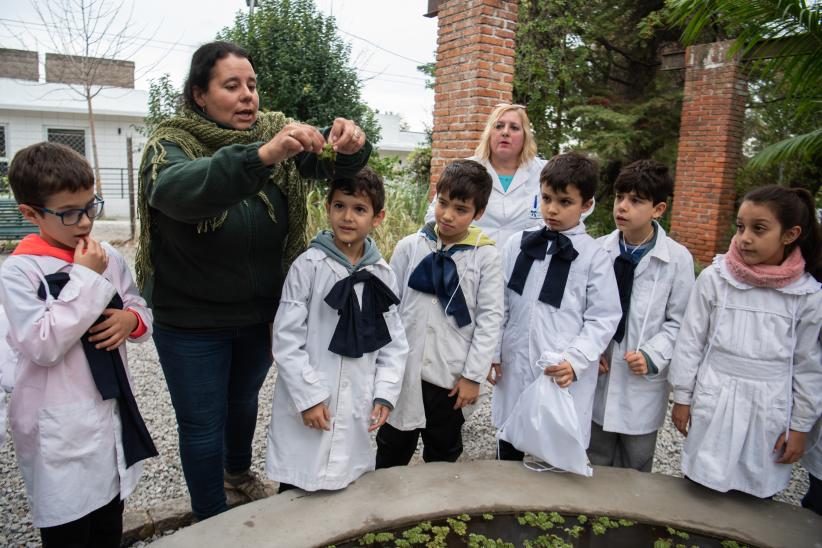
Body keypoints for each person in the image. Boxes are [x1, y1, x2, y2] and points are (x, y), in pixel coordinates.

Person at [136, 41, 371, 519]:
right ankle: (210, 519)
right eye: (231, 86)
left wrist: (348, 145)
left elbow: (325, 163)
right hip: (192, 321)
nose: (248, 96)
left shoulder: (273, 134)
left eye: (252, 85)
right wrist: (260, 156)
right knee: (202, 424)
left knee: (243, 403)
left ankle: (238, 476)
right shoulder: (171, 144)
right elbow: (179, 192)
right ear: (199, 95)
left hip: (259, 310)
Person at [2, 142, 155, 547]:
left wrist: (130, 320)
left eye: (91, 206)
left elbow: (138, 305)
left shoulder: (107, 258)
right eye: (70, 213)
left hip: (107, 416)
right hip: (58, 430)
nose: (86, 221)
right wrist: (85, 279)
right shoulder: (19, 271)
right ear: (31, 214)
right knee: (69, 527)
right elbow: (42, 343)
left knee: (109, 520)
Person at [670, 185, 822, 498]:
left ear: (790, 235)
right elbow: (690, 341)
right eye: (740, 227)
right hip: (716, 394)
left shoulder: (806, 296)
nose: (745, 237)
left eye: (759, 229)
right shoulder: (716, 279)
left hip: (770, 405)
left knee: (754, 489)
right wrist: (682, 396)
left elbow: (808, 365)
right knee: (701, 484)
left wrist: (800, 425)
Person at [266, 168, 408, 491]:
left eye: (359, 209)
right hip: (313, 403)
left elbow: (394, 344)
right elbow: (286, 341)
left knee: (347, 488)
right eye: (340, 206)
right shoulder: (308, 267)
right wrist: (309, 397)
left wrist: (385, 391)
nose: (348, 217)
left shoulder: (382, 275)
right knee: (297, 489)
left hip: (357, 402)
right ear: (328, 207)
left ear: (378, 217)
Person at [491, 152, 621, 461]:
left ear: (586, 205)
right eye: (547, 198)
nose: (552, 209)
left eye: (565, 202)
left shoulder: (594, 256)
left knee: (554, 445)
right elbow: (501, 303)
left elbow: (603, 317)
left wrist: (576, 360)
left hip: (559, 369)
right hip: (515, 361)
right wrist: (494, 352)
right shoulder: (517, 244)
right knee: (509, 437)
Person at [375, 159, 503, 468]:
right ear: (435, 196)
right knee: (391, 448)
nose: (447, 215)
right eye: (443, 203)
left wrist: (473, 377)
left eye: (461, 209)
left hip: (450, 377)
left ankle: (436, 516)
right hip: (404, 370)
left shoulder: (486, 257)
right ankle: (387, 513)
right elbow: (389, 308)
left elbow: (490, 320)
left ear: (478, 213)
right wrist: (382, 366)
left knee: (442, 455)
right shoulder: (410, 247)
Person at [588, 160, 694, 472]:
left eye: (635, 201)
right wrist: (590, 351)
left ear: (658, 209)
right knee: (594, 457)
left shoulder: (677, 260)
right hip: (600, 373)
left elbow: (681, 322)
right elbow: (583, 311)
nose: (622, 207)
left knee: (635, 464)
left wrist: (653, 354)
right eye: (620, 197)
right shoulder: (597, 251)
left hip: (642, 381)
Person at [425, 104, 594, 247]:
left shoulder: (546, 171)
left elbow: (585, 202)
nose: (505, 132)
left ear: (525, 136)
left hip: (527, 262)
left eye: (514, 127)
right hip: (471, 261)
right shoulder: (466, 170)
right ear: (489, 134)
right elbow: (434, 215)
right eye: (499, 126)